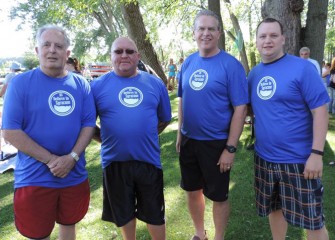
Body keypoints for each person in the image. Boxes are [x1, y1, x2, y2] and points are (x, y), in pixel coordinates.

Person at [1, 24, 96, 240]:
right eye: (46, 45)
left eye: (59, 46)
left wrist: (71, 158)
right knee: (38, 234)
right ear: (37, 51)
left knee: (69, 224)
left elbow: (88, 124)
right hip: (34, 178)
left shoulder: (81, 85)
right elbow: (10, 131)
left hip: (74, 176)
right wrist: (53, 160)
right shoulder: (20, 84)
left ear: (67, 53)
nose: (52, 50)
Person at [248, 18, 329, 240]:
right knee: (274, 208)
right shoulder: (254, 74)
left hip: (299, 160)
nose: (268, 40)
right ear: (256, 41)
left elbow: (320, 111)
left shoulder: (301, 68)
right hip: (265, 159)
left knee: (313, 220)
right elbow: (247, 110)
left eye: (273, 35)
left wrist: (316, 153)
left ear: (283, 39)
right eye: (263, 36)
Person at [176, 9, 248, 240]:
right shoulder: (188, 63)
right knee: (192, 190)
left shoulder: (230, 65)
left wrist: (230, 148)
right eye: (201, 29)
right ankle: (200, 234)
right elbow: (182, 99)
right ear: (194, 33)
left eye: (211, 29)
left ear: (218, 33)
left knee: (218, 196)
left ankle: (218, 237)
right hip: (189, 140)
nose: (205, 33)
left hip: (217, 143)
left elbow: (240, 108)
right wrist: (179, 133)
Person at [91, 37, 171, 240]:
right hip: (114, 162)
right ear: (111, 57)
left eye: (129, 51)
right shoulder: (96, 87)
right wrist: (107, 139)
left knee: (155, 213)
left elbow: (164, 119)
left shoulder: (155, 84)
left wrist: (145, 135)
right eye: (118, 51)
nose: (124, 55)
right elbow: (87, 124)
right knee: (123, 213)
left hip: (148, 161)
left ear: (138, 56)